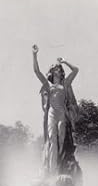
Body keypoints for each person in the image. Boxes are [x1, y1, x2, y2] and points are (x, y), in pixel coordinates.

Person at [32, 44, 79, 174]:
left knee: (61, 138)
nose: (58, 70)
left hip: (62, 114)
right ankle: (52, 171)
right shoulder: (48, 85)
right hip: (52, 114)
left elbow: (76, 70)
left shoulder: (65, 84)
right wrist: (34, 55)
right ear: (52, 72)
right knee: (52, 139)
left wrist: (64, 61)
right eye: (56, 69)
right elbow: (36, 71)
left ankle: (59, 166)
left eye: (59, 69)